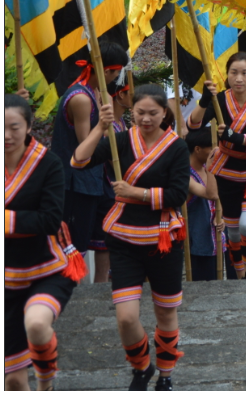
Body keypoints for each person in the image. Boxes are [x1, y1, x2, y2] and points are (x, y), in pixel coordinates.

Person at [73, 86, 189, 391]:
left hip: (163, 239)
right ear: (132, 112)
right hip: (123, 239)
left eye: (153, 113)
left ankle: (165, 374)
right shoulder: (120, 140)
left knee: (165, 311)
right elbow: (78, 161)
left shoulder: (176, 147)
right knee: (125, 317)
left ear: (165, 113)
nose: (146, 118)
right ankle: (141, 366)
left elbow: (178, 194)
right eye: (140, 113)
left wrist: (136, 193)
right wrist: (100, 126)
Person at [5, 93, 82, 392]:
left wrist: (7, 221)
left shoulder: (47, 163)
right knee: (12, 380)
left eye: (14, 126)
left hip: (47, 270)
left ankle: (46, 384)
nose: (7, 135)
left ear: (28, 127)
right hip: (6, 280)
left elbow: (50, 219)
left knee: (37, 324)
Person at [189, 52, 246, 279]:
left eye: (244, 73)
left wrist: (234, 137)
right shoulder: (220, 99)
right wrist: (204, 102)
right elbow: (194, 125)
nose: (239, 78)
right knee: (234, 231)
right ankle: (240, 274)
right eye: (234, 73)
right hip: (227, 172)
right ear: (227, 75)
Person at [48, 40, 128, 285]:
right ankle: (75, 293)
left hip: (95, 178)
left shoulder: (95, 91)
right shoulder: (81, 97)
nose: (118, 78)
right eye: (117, 73)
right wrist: (106, 127)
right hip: (75, 181)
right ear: (106, 71)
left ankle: (101, 286)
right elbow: (85, 145)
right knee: (77, 241)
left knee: (104, 236)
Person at [183, 125, 223, 282]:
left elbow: (221, 196)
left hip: (216, 241)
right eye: (212, 149)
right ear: (198, 149)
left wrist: (222, 217)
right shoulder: (184, 174)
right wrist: (213, 166)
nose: (216, 152)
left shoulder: (208, 168)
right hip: (197, 243)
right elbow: (212, 194)